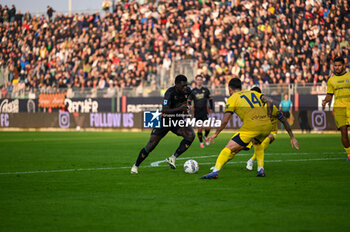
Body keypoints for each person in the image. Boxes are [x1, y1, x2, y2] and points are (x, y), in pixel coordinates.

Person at [200, 78, 274, 179]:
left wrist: (216, 133)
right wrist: (268, 116)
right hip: (267, 125)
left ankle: (215, 172)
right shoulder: (253, 93)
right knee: (257, 143)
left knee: (229, 148)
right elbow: (270, 101)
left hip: (252, 126)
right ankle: (260, 170)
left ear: (229, 89)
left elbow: (225, 120)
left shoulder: (232, 98)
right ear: (241, 87)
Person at [131, 75, 195, 174]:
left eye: (186, 85)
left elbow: (190, 99)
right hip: (164, 120)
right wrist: (180, 109)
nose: (185, 87)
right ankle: (136, 165)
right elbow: (165, 110)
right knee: (151, 144)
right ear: (176, 85)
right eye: (182, 86)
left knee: (190, 135)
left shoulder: (187, 91)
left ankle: (173, 158)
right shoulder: (170, 93)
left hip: (176, 120)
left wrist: (188, 107)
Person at [246, 87, 300, 175]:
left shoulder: (272, 108)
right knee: (239, 146)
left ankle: (252, 161)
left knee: (267, 139)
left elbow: (284, 121)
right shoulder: (253, 109)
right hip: (259, 131)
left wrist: (292, 137)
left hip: (272, 132)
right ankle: (218, 166)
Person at [322, 56, 350, 161]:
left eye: (339, 65)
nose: (337, 67)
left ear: (343, 65)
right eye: (335, 66)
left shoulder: (349, 76)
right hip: (339, 108)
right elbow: (329, 94)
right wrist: (325, 100)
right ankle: (349, 154)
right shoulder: (331, 80)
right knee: (343, 131)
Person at [188, 74, 214, 148]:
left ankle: (205, 136)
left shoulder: (206, 90)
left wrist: (211, 108)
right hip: (197, 113)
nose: (199, 81)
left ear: (202, 81)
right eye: (198, 79)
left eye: (200, 80)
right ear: (196, 81)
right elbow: (189, 100)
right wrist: (189, 105)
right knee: (199, 128)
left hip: (205, 112)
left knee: (208, 127)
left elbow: (210, 100)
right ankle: (201, 142)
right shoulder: (193, 91)